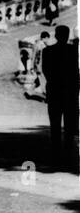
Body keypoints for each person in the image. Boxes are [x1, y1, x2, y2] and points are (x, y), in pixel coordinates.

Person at [40, 25, 78, 157]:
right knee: (69, 124)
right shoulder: (74, 51)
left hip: (54, 91)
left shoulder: (47, 51)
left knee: (55, 124)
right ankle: (68, 150)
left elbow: (46, 71)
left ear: (55, 36)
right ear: (68, 36)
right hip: (70, 92)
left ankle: (56, 150)